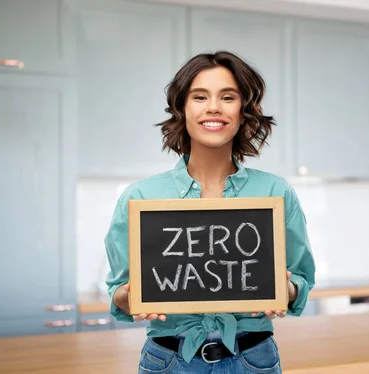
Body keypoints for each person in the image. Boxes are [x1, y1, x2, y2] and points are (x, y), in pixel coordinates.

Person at [105, 51, 315, 373]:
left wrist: (283, 290)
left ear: (243, 112)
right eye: (200, 96)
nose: (213, 107)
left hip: (253, 359)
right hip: (168, 360)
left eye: (227, 97)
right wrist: (131, 297)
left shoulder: (276, 193)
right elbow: (119, 292)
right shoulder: (140, 197)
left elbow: (301, 280)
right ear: (183, 109)